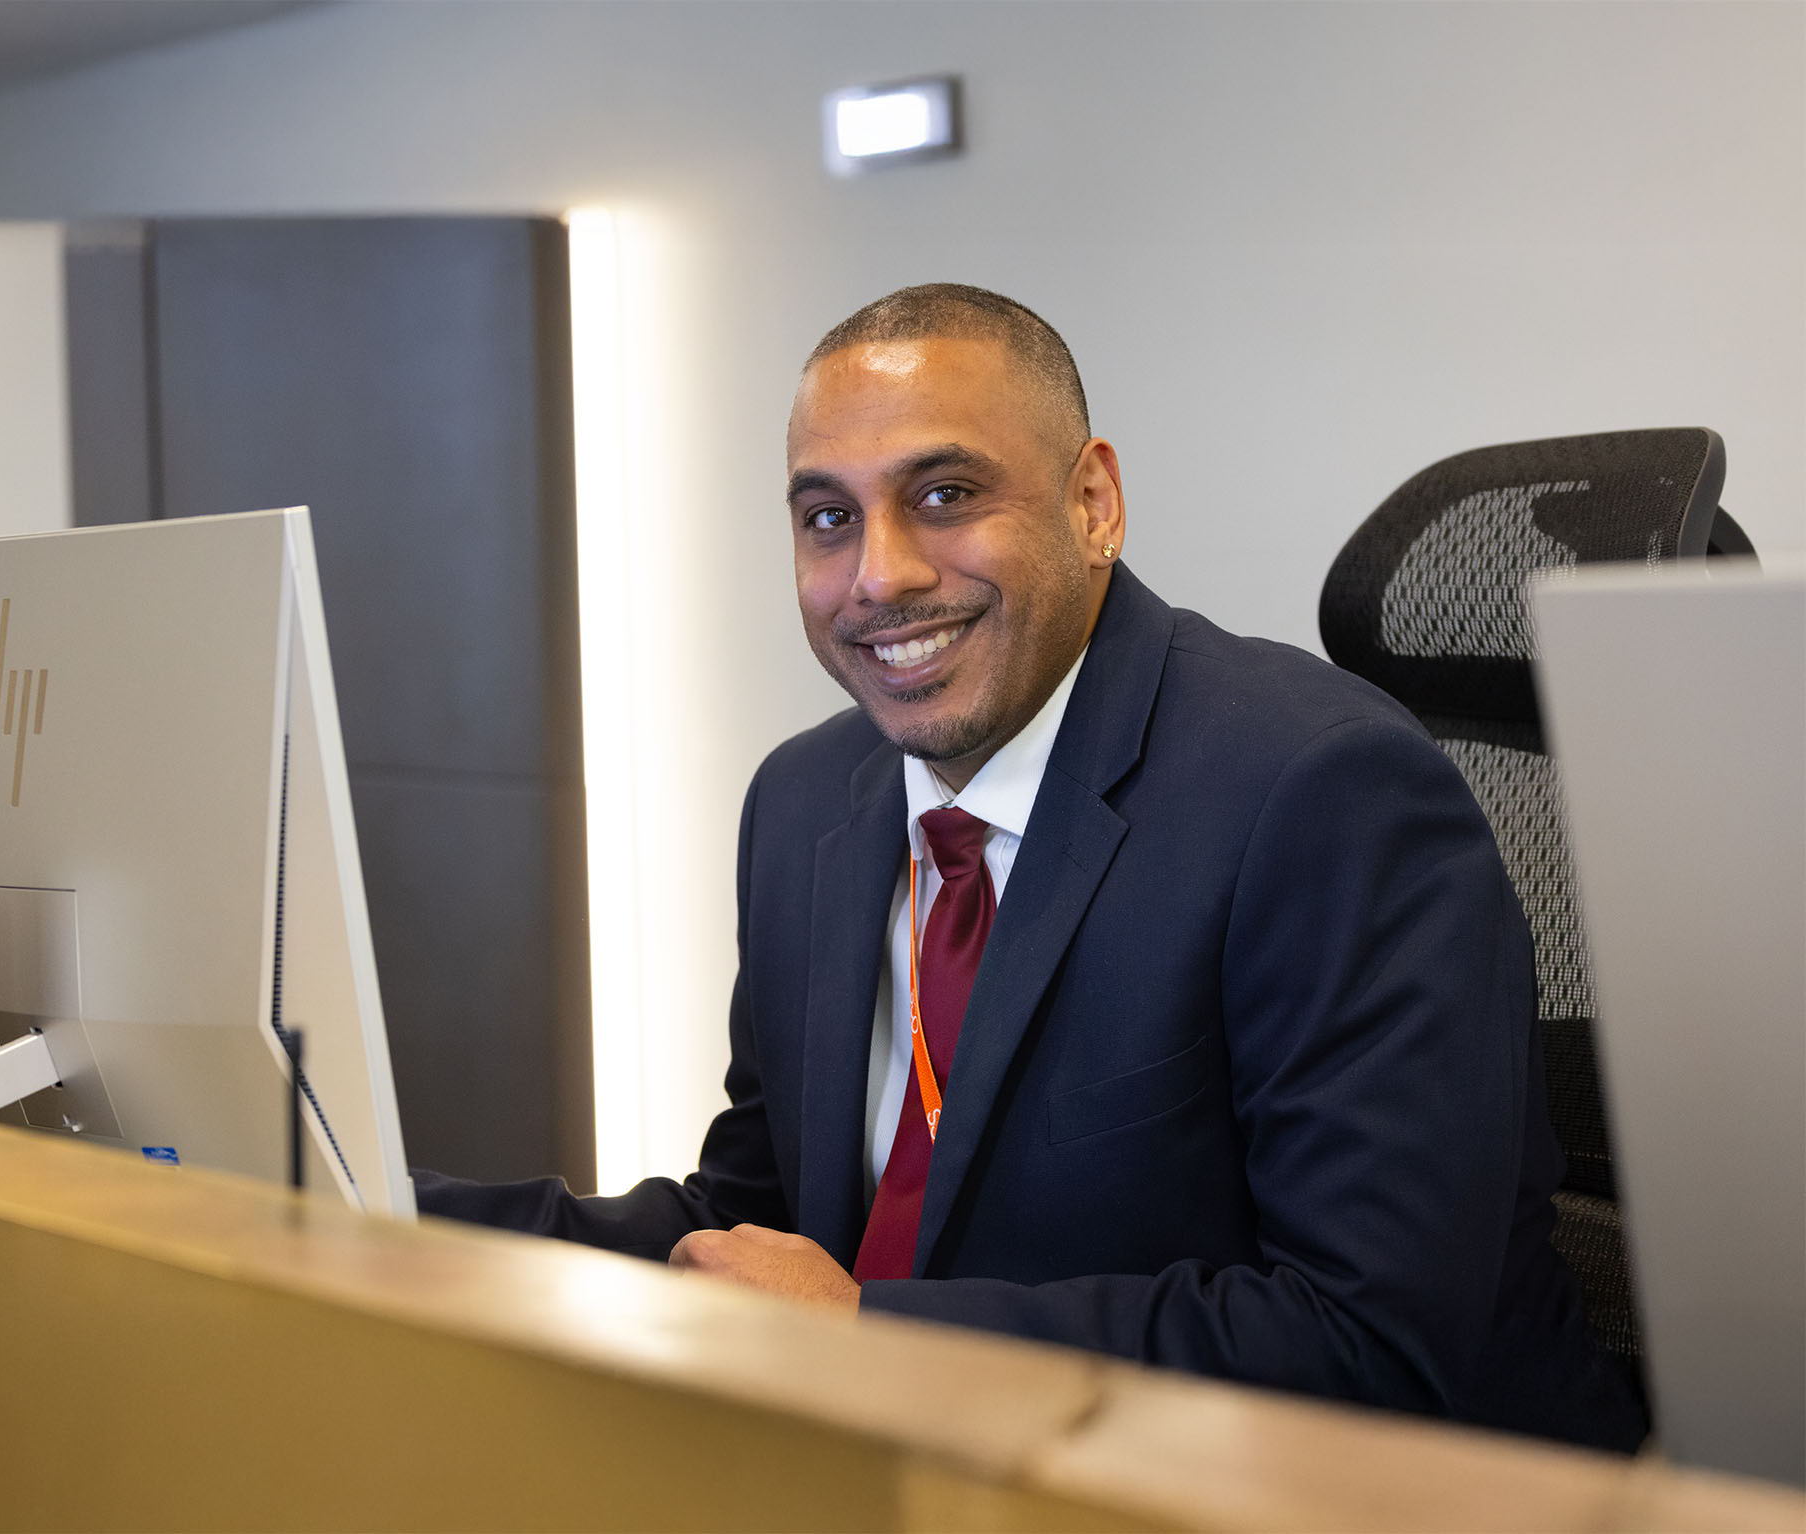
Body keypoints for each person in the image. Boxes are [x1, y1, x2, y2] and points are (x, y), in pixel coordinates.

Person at [417, 284, 1646, 1450]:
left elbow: (1365, 1342)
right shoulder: (804, 804)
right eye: (827, 517)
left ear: (1093, 503)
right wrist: (367, 1207)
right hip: (934, 1465)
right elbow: (758, 1222)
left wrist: (865, 1337)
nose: (878, 574)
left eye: (944, 494)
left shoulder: (1321, 791)